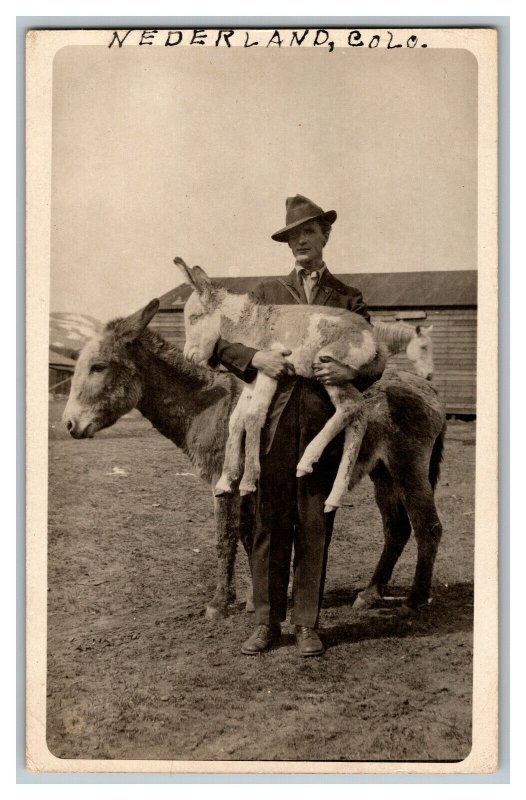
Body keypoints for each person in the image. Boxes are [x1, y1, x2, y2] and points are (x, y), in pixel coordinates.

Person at [209, 195, 373, 656]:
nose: (300, 241)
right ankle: (266, 621)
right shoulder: (265, 296)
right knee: (267, 523)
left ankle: (306, 624)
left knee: (315, 523)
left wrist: (353, 374)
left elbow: (373, 355)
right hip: (271, 425)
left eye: (309, 232)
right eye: (292, 236)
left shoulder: (347, 298)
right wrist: (253, 357)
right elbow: (222, 344)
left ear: (325, 236)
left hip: (323, 429)